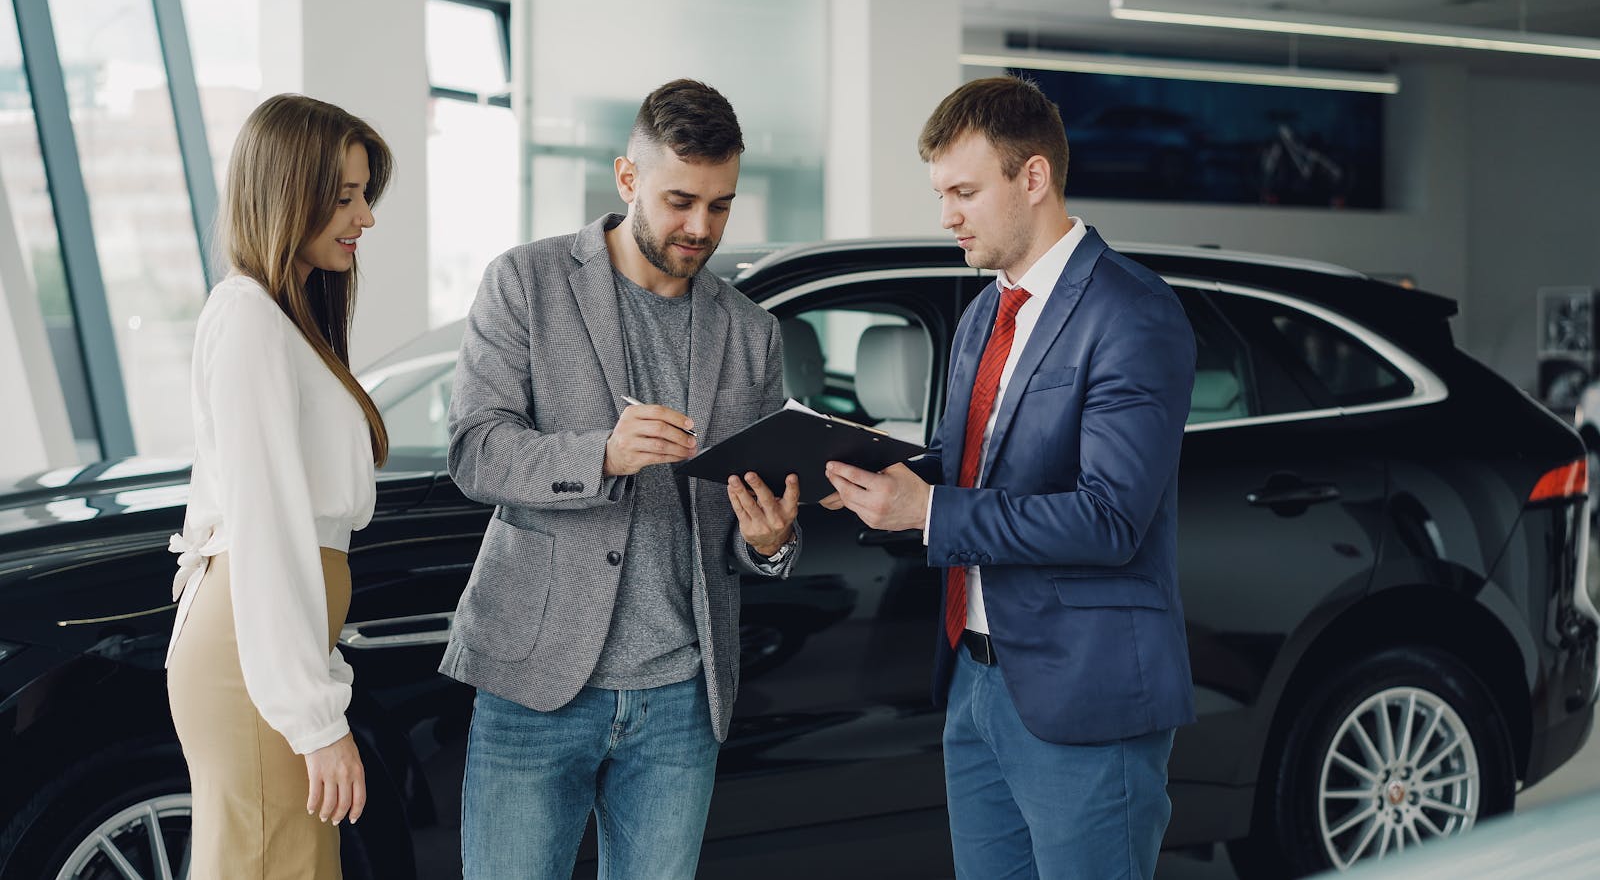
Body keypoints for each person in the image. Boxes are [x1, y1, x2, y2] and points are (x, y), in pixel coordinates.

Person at [822, 76, 1197, 879]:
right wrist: (875, 475)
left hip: (1083, 698)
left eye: (964, 191)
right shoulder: (985, 313)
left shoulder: (1132, 312)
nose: (947, 215)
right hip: (976, 684)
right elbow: (968, 470)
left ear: (1033, 178)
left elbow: (1108, 520)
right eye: (941, 194)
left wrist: (929, 511)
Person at [441, 77, 800, 880]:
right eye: (680, 200)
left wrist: (770, 542)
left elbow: (755, 515)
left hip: (681, 695)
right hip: (537, 684)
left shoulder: (752, 333)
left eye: (721, 205)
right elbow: (475, 451)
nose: (700, 227)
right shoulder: (524, 283)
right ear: (628, 177)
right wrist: (600, 454)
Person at [166, 93, 392, 879]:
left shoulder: (281, 319)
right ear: (285, 192)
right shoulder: (251, 319)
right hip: (252, 652)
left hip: (267, 645)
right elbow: (266, 529)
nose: (364, 216)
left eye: (365, 194)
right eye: (343, 197)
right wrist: (315, 719)